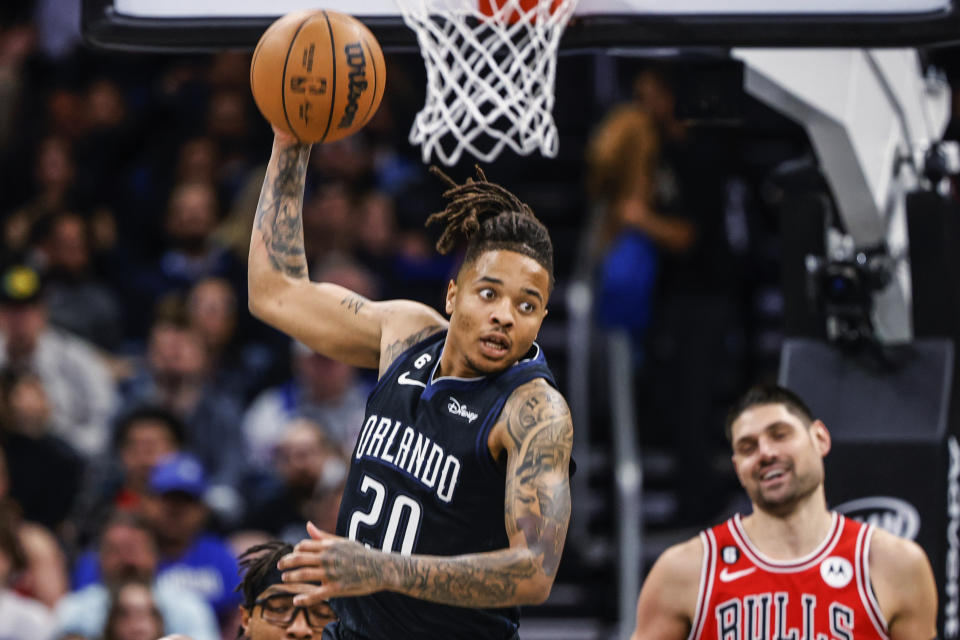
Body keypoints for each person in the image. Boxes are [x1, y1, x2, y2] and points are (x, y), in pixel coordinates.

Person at [247, 128, 573, 639]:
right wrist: (291, 142)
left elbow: (534, 572)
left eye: (526, 305)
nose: (505, 316)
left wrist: (380, 569)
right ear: (452, 294)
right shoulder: (403, 335)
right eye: (489, 294)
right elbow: (274, 292)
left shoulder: (533, 411)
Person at [629, 384, 938, 640]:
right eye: (748, 447)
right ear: (738, 469)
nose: (765, 453)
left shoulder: (896, 565)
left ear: (820, 439)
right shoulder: (684, 570)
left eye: (780, 434)